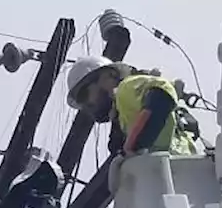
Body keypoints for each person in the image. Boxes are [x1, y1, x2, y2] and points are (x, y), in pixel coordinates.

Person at [65, 56, 200, 157]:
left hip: (178, 170)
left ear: (109, 76)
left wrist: (134, 145)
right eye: (80, 103)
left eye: (84, 95)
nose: (86, 105)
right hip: (181, 169)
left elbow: (162, 94)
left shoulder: (125, 88)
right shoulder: (124, 116)